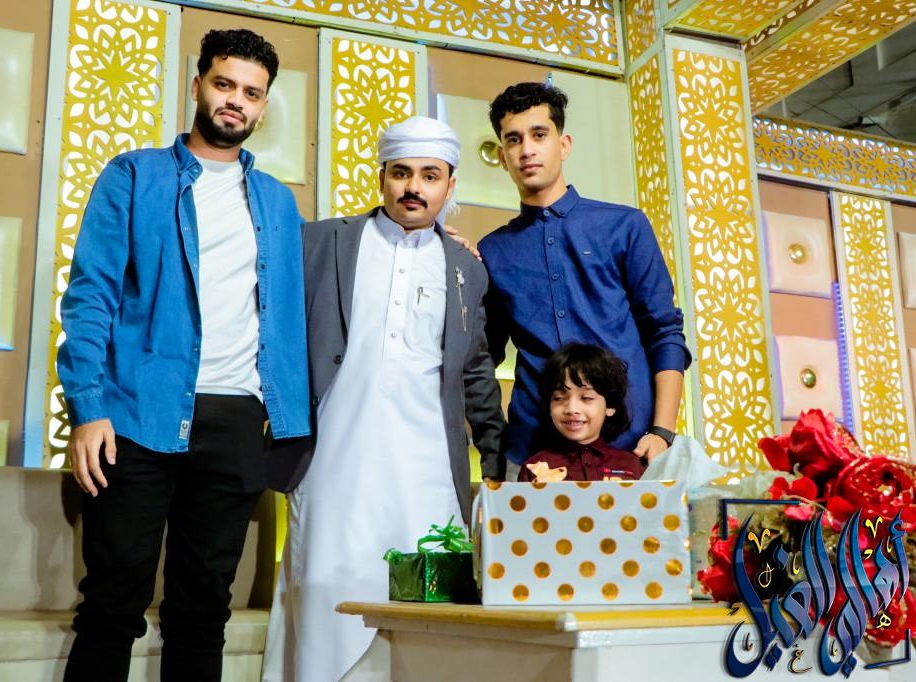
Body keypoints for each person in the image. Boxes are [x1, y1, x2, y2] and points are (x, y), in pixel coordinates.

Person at [57, 29, 309, 682]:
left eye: (251, 92)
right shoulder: (133, 175)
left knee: (204, 611)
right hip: (136, 415)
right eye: (224, 84)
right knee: (112, 603)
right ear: (198, 85)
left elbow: (336, 261)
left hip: (235, 422)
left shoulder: (278, 201)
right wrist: (87, 408)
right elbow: (90, 296)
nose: (236, 101)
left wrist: (437, 235)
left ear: (263, 106)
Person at [263, 116, 506, 682]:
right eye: (401, 173)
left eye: (430, 176)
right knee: (325, 596)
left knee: (427, 614)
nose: (413, 187)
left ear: (450, 186)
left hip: (427, 471)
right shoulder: (321, 242)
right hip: (332, 463)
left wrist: (495, 462)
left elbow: (476, 371)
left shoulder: (467, 269)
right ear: (382, 177)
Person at [478, 81, 691, 475]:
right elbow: (482, 356)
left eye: (539, 135)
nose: (526, 150)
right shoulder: (493, 251)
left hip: (633, 446)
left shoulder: (624, 226)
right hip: (532, 452)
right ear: (503, 156)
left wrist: (662, 431)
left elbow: (664, 332)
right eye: (513, 139)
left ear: (564, 145)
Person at [518, 343, 643, 482]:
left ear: (610, 406)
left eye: (586, 398)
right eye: (559, 398)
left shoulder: (630, 464)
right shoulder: (534, 468)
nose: (571, 409)